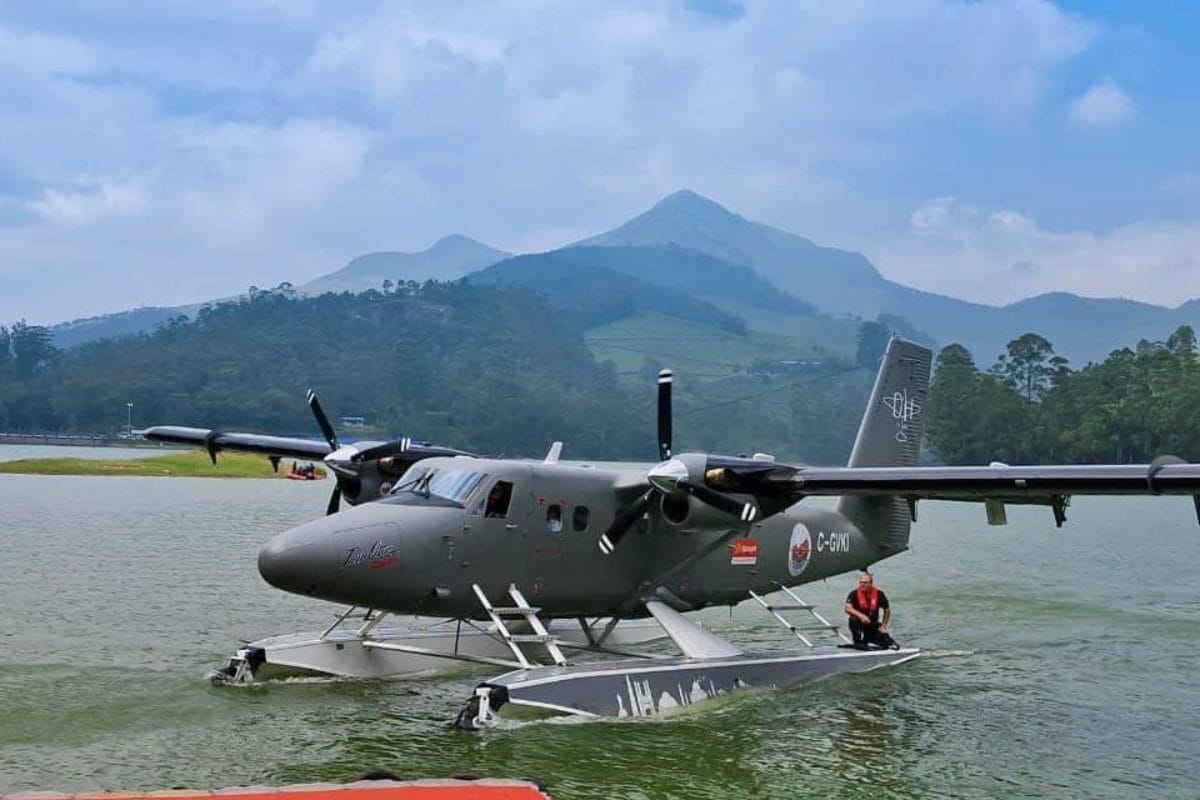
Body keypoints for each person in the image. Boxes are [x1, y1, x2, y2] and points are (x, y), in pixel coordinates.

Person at [844, 570, 898, 650]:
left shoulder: (879, 594)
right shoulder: (854, 594)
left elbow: (887, 610)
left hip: (871, 623)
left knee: (886, 641)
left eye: (865, 583)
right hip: (857, 622)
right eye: (861, 582)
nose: (862, 585)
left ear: (871, 583)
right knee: (854, 623)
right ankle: (858, 643)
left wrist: (884, 625)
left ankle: (869, 640)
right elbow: (848, 608)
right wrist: (861, 616)